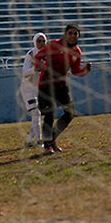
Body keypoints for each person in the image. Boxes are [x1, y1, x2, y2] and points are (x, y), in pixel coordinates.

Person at [34, 23, 92, 155]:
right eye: (70, 33)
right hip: (46, 85)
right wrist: (44, 68)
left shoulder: (77, 51)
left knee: (70, 113)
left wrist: (85, 71)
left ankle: (52, 139)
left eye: (75, 34)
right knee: (49, 113)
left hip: (61, 85)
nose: (72, 36)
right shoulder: (54, 44)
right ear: (65, 34)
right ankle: (47, 145)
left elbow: (76, 71)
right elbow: (37, 57)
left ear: (78, 36)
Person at [20, 32, 47, 148]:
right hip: (28, 89)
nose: (41, 43)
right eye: (39, 41)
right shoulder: (30, 55)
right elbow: (25, 73)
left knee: (38, 115)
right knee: (36, 112)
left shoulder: (47, 55)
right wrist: (34, 69)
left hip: (39, 88)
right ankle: (40, 140)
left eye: (43, 41)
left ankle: (30, 140)